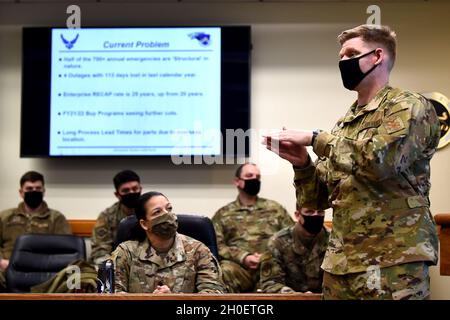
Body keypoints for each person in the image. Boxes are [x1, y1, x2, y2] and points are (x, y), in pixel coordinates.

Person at [263, 24, 440, 300]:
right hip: (342, 263)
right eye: (341, 56)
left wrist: (315, 138)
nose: (343, 61)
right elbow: (317, 200)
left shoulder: (409, 106)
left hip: (392, 259)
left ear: (378, 56)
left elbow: (380, 161)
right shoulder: (345, 124)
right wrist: (302, 164)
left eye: (351, 53)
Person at [111, 191, 225, 293]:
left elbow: (213, 294)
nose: (167, 215)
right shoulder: (126, 252)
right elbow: (111, 294)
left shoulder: (198, 250)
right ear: (144, 224)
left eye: (169, 208)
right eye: (157, 212)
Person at [212, 162, 294, 293]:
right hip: (239, 269)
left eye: (258, 177)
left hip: (270, 266)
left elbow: (291, 237)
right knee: (223, 271)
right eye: (249, 175)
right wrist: (243, 257)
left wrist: (267, 256)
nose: (254, 179)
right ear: (237, 182)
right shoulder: (223, 213)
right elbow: (217, 245)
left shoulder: (275, 209)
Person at [0, 171, 71, 290]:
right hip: (7, 268)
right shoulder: (5, 217)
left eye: (38, 188)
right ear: (21, 193)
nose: (34, 191)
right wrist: (1, 261)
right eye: (29, 188)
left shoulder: (56, 218)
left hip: (43, 272)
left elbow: (65, 251)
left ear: (44, 191)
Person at [259, 204, 329, 293]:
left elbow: (341, 282)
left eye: (320, 212)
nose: (315, 216)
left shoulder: (334, 241)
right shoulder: (278, 242)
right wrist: (294, 296)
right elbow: (270, 282)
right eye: (309, 212)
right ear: (297, 215)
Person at [90, 170, 142, 266]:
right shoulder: (107, 217)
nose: (131, 192)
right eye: (126, 190)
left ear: (141, 189)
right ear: (117, 195)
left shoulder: (151, 212)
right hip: (115, 265)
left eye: (135, 189)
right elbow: (100, 250)